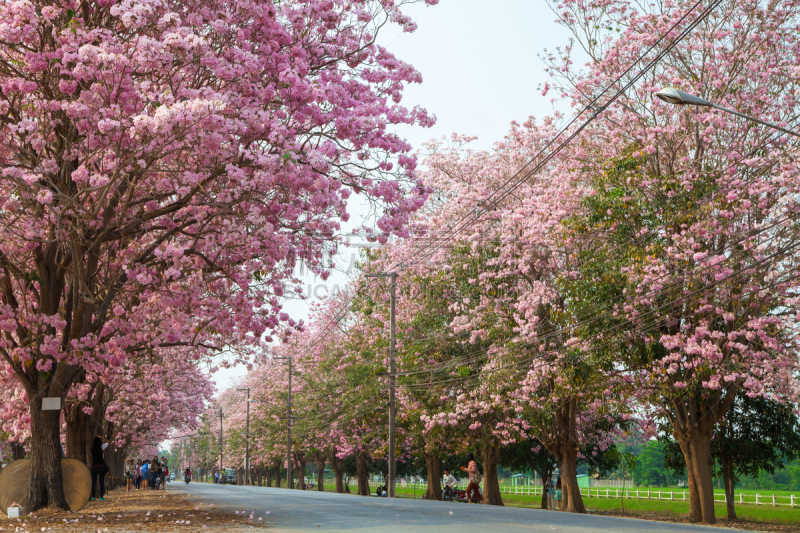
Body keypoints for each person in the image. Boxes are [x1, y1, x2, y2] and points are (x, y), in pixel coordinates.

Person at [90, 436, 110, 501]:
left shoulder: (92, 448)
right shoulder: (102, 447)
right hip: (101, 467)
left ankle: (93, 496)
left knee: (93, 482)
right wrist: (102, 438)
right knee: (101, 482)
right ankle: (101, 497)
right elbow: (108, 442)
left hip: (94, 467)